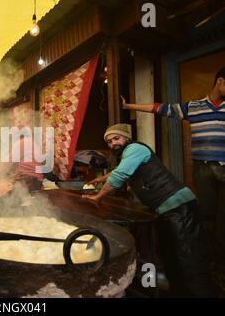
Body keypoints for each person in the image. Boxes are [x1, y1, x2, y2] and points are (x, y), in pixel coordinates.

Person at [83, 123, 215, 297]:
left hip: (180, 208)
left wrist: (98, 197)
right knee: (173, 260)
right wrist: (100, 181)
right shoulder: (129, 154)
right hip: (168, 211)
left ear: (127, 138)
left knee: (189, 261)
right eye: (109, 141)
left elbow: (120, 175)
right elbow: (117, 171)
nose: (112, 143)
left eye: (116, 138)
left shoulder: (135, 148)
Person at [122, 67, 225, 272]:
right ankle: (209, 259)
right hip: (202, 169)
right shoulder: (193, 107)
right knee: (206, 215)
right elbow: (161, 108)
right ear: (220, 81)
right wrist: (128, 106)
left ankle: (222, 260)